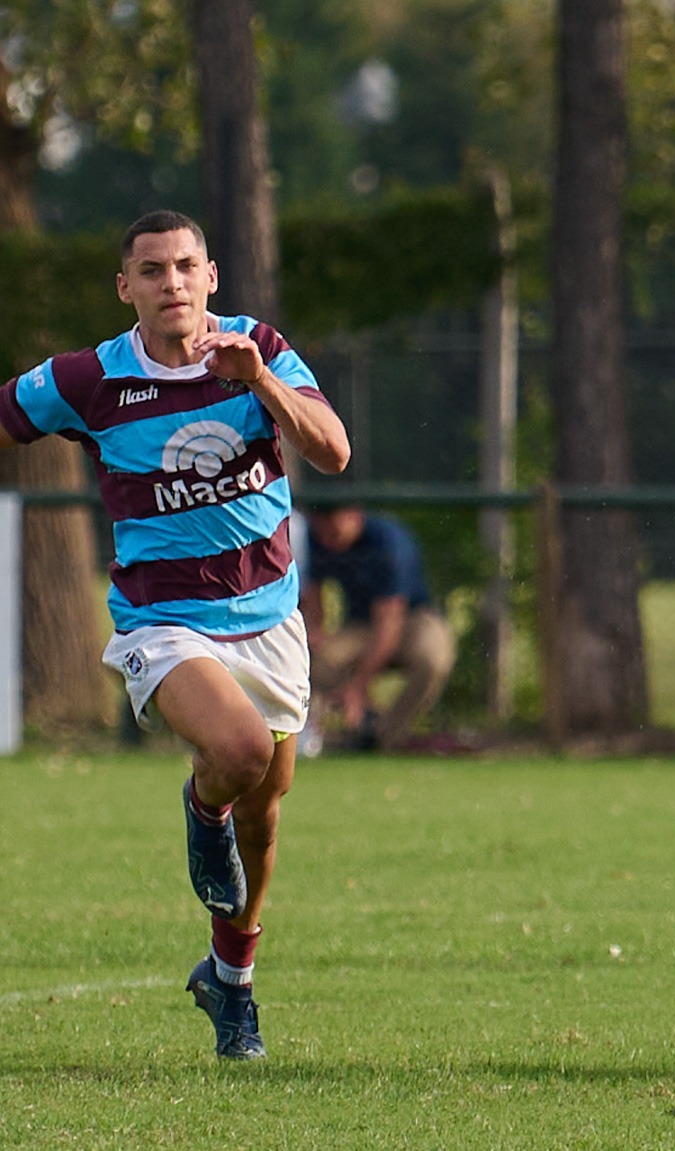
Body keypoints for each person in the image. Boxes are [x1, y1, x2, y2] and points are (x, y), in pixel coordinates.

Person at [0, 211, 350, 1059]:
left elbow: (333, 451)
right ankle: (202, 811)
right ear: (126, 288)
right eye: (151, 271)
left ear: (212, 275)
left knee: (265, 820)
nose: (172, 284)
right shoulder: (88, 380)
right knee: (237, 753)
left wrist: (260, 382)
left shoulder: (259, 346)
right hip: (163, 624)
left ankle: (230, 983)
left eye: (185, 266)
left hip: (269, 618)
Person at [300, 503, 455, 751]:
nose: (328, 539)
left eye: (334, 530)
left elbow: (389, 625)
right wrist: (316, 632)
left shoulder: (388, 541)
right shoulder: (315, 537)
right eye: (322, 529)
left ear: (354, 515)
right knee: (313, 661)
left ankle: (388, 735)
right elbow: (314, 595)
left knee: (433, 658)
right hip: (360, 622)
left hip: (412, 617)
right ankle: (353, 730)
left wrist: (359, 686)